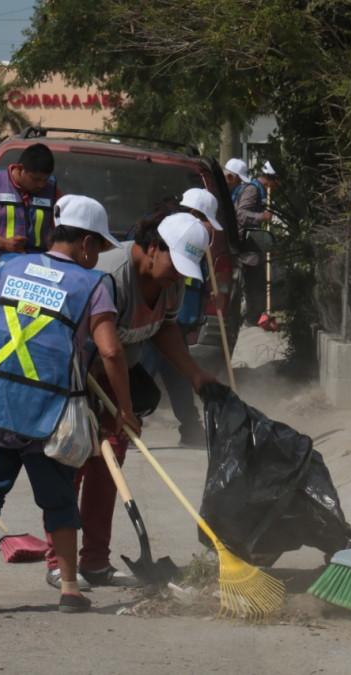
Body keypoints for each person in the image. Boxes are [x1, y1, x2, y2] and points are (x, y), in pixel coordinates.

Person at [0, 195, 126, 616]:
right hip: (47, 413)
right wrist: (124, 409)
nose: (98, 257)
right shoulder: (93, 285)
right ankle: (69, 590)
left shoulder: (9, 267)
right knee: (59, 502)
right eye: (98, 248)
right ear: (85, 243)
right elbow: (111, 352)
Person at [43, 211, 219, 589]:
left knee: (108, 472)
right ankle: (59, 561)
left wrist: (195, 374)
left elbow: (165, 327)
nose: (181, 276)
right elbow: (108, 351)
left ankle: (94, 561)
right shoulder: (110, 275)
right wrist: (124, 407)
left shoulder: (171, 282)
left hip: (117, 379)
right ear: (152, 248)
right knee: (72, 467)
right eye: (177, 264)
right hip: (78, 376)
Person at [139, 188, 223, 448]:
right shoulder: (168, 233)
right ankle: (129, 420)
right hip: (155, 318)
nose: (210, 229)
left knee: (177, 372)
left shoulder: (196, 240)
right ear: (196, 214)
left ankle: (192, 429)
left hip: (177, 318)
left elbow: (198, 274)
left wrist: (211, 289)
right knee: (143, 371)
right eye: (208, 220)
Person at [0, 142, 63, 280]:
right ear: (21, 169)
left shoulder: (52, 191)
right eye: (36, 179)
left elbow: (60, 231)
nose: (41, 185)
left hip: (37, 276)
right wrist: (4, 243)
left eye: (45, 180)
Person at [233, 160, 280, 328]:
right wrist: (261, 217)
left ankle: (254, 316)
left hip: (255, 245)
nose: (277, 187)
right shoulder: (252, 190)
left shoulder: (261, 191)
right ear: (270, 179)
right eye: (277, 182)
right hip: (246, 246)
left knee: (258, 281)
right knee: (254, 282)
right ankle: (250, 319)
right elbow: (241, 215)